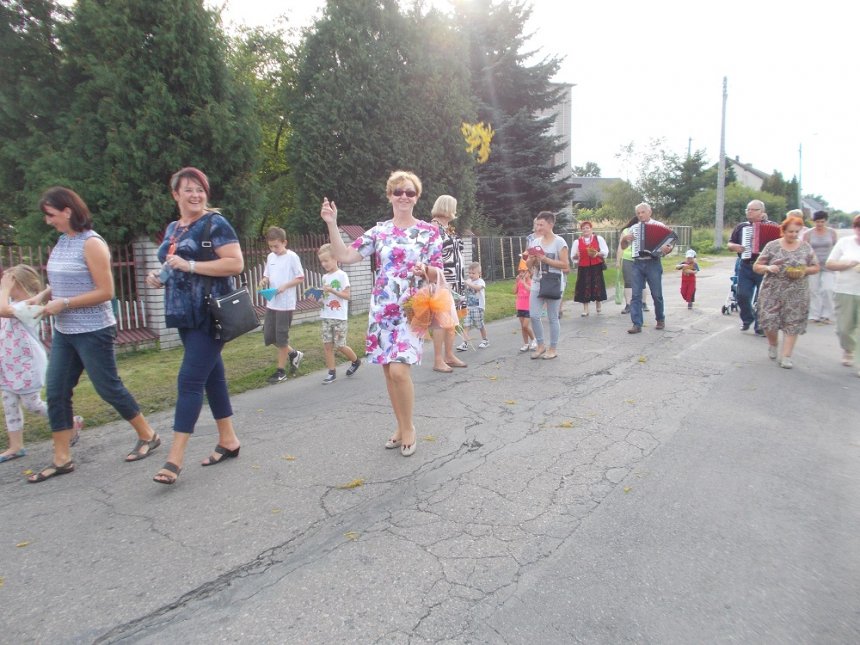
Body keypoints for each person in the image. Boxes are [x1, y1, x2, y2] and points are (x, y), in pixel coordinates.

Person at [27, 187, 159, 483]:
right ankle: (62, 458)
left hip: (94, 330)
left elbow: (106, 291)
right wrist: (42, 296)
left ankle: (148, 435)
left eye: (51, 215)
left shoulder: (92, 243)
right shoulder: (63, 242)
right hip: (65, 331)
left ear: (67, 211)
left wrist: (64, 303)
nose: (48, 221)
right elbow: (63, 280)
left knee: (108, 388)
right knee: (57, 391)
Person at [320, 170, 442, 457]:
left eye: (409, 192)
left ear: (417, 197)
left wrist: (425, 269)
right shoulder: (379, 231)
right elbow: (345, 255)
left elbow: (439, 271)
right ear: (390, 196)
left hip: (412, 309)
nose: (403, 196)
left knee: (399, 369)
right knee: (389, 371)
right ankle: (400, 426)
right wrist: (332, 224)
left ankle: (409, 428)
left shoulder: (429, 231)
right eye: (398, 192)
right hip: (382, 309)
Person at [145, 167, 243, 484]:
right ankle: (228, 440)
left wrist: (190, 265)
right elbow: (171, 263)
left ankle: (174, 459)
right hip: (182, 314)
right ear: (175, 194)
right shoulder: (173, 228)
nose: (195, 195)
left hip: (209, 314)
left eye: (200, 189)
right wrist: (159, 277)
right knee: (212, 377)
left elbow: (235, 263)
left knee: (189, 381)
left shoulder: (215, 223)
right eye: (188, 189)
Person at [754, 214, 819, 369]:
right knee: (769, 321)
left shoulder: (805, 247)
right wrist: (768, 267)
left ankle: (786, 356)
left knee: (792, 323)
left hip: (797, 292)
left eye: (797, 232)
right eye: (790, 231)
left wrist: (803, 270)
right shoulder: (772, 246)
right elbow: (757, 266)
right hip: (772, 290)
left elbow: (816, 267)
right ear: (783, 231)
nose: (794, 234)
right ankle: (773, 343)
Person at [0, 266, 50, 463]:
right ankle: (16, 446)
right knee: (9, 405)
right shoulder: (13, 303)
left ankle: (68, 420)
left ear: (19, 283)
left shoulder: (29, 308)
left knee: (32, 404)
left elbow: (4, 310)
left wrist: (5, 289)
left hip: (26, 365)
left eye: (8, 282)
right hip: (9, 365)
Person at [259, 226, 305, 383]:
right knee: (269, 336)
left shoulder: (292, 257)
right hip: (272, 302)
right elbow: (267, 275)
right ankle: (294, 354)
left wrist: (285, 286)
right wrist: (264, 280)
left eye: (276, 246)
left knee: (281, 338)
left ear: (284, 242)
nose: (273, 249)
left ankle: (281, 372)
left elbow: (300, 278)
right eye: (270, 246)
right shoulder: (271, 257)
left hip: (285, 305)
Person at [619, 203, 674, 334]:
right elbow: (623, 246)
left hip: (653, 262)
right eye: (638, 213)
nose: (640, 215)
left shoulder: (659, 226)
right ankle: (636, 324)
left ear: (650, 212)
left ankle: (660, 319)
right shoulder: (634, 228)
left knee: (657, 294)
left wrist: (668, 249)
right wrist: (625, 239)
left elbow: (670, 243)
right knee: (635, 295)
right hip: (637, 263)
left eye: (643, 212)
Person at [428, 195, 467, 372]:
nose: (456, 211)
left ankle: (449, 355)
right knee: (441, 320)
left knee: (451, 320)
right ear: (448, 207)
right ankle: (438, 360)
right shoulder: (433, 228)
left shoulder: (448, 228)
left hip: (456, 279)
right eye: (454, 207)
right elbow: (429, 256)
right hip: (442, 280)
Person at [526, 211, 569, 359]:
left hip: (553, 283)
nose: (538, 228)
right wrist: (532, 259)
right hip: (537, 282)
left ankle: (553, 348)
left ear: (551, 224)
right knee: (534, 315)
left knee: (552, 317)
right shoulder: (535, 242)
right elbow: (528, 265)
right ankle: (540, 345)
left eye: (541, 225)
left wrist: (545, 259)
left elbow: (565, 265)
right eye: (537, 225)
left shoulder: (559, 242)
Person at [316, 243, 361, 384]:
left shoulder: (342, 275)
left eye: (326, 260)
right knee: (327, 345)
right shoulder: (324, 277)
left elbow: (347, 296)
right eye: (321, 261)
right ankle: (331, 372)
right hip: (326, 315)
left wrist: (332, 290)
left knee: (340, 345)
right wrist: (317, 298)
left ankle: (355, 361)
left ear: (335, 258)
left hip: (339, 317)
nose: (324, 264)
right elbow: (325, 298)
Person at [825, 214, 860, 373]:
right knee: (844, 329)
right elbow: (829, 264)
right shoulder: (845, 242)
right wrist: (847, 264)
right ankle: (848, 349)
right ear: (855, 228)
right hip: (845, 290)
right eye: (858, 228)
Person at [727, 200, 767, 335]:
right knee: (742, 294)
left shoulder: (772, 226)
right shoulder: (741, 227)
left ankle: (760, 325)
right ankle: (747, 319)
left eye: (753, 209)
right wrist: (734, 246)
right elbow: (730, 243)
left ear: (762, 212)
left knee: (763, 297)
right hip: (745, 265)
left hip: (763, 267)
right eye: (747, 209)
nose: (749, 212)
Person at [803, 210, 838, 323]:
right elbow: (804, 249)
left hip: (828, 265)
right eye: (817, 222)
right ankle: (814, 315)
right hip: (813, 265)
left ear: (826, 221)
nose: (820, 224)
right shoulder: (808, 234)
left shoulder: (832, 232)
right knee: (814, 290)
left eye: (822, 222)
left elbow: (836, 248)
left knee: (828, 289)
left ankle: (827, 314)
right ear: (814, 221)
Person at [571, 220, 608, 316]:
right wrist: (576, 255)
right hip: (584, 266)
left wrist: (597, 253)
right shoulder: (577, 242)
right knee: (584, 286)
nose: (585, 230)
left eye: (587, 228)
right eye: (583, 228)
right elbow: (573, 257)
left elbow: (605, 252)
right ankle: (586, 309)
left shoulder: (598, 238)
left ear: (591, 229)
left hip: (596, 265)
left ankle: (598, 302)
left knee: (597, 284)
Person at [616, 216, 650, 315]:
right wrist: (618, 260)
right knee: (628, 282)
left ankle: (643, 303)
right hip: (627, 258)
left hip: (641, 258)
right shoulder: (626, 231)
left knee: (642, 282)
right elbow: (620, 246)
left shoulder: (645, 231)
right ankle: (628, 304)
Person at [456, 262, 489, 351]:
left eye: (473, 273)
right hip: (469, 308)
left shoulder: (480, 281)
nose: (471, 275)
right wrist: (461, 298)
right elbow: (467, 294)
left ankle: (485, 340)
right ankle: (464, 343)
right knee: (466, 325)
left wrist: (469, 284)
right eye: (469, 273)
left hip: (478, 308)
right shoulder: (469, 281)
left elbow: (478, 288)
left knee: (480, 325)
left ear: (479, 273)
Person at [513, 259, 536, 352]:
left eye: (523, 272)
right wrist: (516, 282)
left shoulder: (532, 282)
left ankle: (533, 339)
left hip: (528, 307)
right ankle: (526, 344)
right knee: (523, 327)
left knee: (526, 326)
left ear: (529, 273)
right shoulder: (519, 282)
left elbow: (531, 290)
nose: (521, 274)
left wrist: (524, 283)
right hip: (520, 306)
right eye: (520, 272)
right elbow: (514, 291)